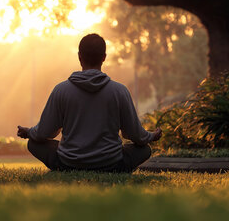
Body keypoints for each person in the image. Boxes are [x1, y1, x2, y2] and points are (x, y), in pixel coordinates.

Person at [17, 33, 162, 172]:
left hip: (68, 162)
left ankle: (66, 166)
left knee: (34, 144)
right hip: (111, 163)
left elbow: (45, 132)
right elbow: (134, 134)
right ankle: (112, 166)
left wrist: (29, 132)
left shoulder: (61, 90)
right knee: (145, 149)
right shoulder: (119, 91)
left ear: (79, 56)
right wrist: (152, 136)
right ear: (104, 57)